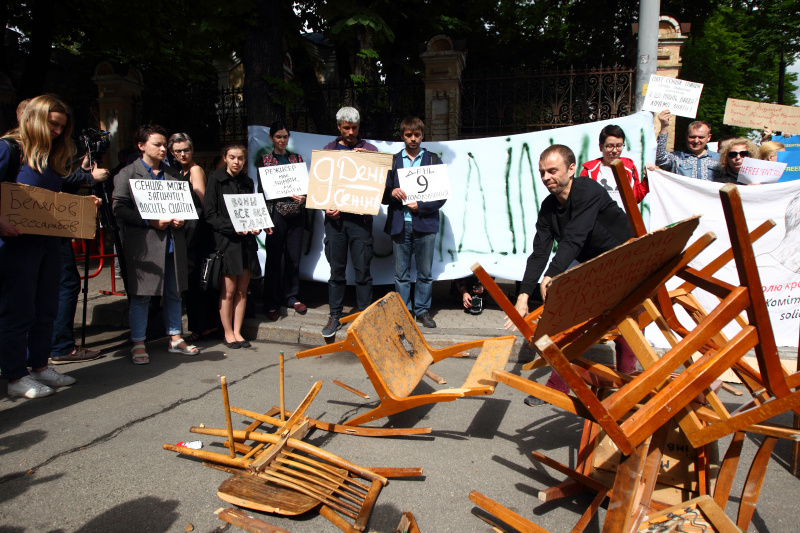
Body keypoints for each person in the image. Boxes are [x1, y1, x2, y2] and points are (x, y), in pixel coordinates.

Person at [506, 144, 637, 406]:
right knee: (571, 318)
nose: (546, 178)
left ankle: (629, 382)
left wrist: (553, 275)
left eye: (552, 171)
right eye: (542, 172)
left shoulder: (588, 190)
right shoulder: (548, 207)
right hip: (594, 261)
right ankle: (559, 386)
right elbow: (539, 252)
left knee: (625, 324)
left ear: (572, 169)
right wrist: (522, 295)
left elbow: (575, 237)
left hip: (625, 258)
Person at [0, 95, 92, 397]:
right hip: (16, 247)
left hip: (49, 245)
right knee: (18, 309)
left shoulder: (50, 158)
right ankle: (15, 376)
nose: (56, 131)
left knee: (46, 307)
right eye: (53, 124)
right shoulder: (8, 149)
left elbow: (51, 201)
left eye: (61, 127)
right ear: (34, 118)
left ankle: (39, 366)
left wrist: (80, 206)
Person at [113, 124, 199, 364]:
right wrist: (148, 222)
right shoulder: (128, 174)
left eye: (164, 145)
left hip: (173, 244)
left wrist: (182, 219)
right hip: (146, 245)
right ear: (141, 146)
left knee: (174, 292)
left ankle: (174, 337)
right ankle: (138, 342)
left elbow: (186, 206)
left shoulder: (173, 175)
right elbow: (118, 208)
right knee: (142, 295)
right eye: (158, 144)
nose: (164, 149)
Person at [320, 107, 378, 337]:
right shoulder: (328, 151)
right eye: (347, 127)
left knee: (363, 270)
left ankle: (364, 316)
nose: (351, 132)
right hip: (335, 223)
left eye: (354, 128)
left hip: (361, 222)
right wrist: (326, 205)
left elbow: (377, 184)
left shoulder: (370, 151)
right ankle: (335, 316)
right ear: (339, 127)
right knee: (337, 271)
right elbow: (320, 184)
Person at [382, 116, 445, 328]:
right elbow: (381, 195)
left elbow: (441, 196)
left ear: (422, 135)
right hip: (400, 223)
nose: (413, 139)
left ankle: (422, 310)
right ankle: (404, 311)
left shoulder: (433, 160)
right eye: (408, 135)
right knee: (401, 274)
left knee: (425, 273)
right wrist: (392, 192)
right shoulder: (393, 161)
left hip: (425, 223)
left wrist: (422, 206)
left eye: (417, 134)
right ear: (402, 136)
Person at [205, 142, 268, 349]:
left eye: (240, 158)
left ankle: (238, 331)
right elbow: (210, 215)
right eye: (232, 157)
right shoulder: (215, 179)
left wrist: (257, 226)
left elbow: (252, 210)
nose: (236, 162)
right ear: (225, 157)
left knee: (243, 291)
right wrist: (233, 228)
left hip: (246, 243)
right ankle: (228, 332)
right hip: (227, 243)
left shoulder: (248, 181)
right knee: (229, 291)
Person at [49, 154, 110, 364]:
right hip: (47, 228)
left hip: (51, 227)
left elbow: (60, 186)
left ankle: (50, 344)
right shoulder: (20, 150)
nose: (57, 131)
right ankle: (60, 346)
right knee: (66, 283)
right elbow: (51, 181)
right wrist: (90, 179)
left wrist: (83, 174)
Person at [169, 132, 218, 342]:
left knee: (195, 279)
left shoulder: (195, 170)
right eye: (178, 151)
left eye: (186, 150)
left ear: (192, 150)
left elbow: (204, 201)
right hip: (186, 230)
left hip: (196, 231)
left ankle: (203, 326)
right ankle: (201, 325)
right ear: (172, 152)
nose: (182, 154)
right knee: (191, 281)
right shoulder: (179, 170)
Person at [257, 121, 308, 321]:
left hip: (296, 215)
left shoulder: (296, 159)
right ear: (271, 138)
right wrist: (264, 219)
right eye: (278, 136)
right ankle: (271, 301)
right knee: (274, 259)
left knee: (293, 258)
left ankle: (292, 296)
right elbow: (263, 191)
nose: (282, 140)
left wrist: (303, 197)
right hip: (276, 215)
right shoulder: (265, 160)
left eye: (285, 136)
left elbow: (304, 186)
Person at [580, 124, 648, 202]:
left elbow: (635, 198)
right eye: (610, 146)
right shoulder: (589, 171)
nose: (615, 151)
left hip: (623, 214)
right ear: (600, 147)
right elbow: (582, 198)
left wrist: (647, 179)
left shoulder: (629, 168)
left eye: (619, 146)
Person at [655, 110, 721, 181]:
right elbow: (660, 159)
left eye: (701, 137)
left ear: (709, 137)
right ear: (686, 136)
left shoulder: (720, 159)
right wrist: (664, 127)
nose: (696, 141)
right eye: (692, 137)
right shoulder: (676, 158)